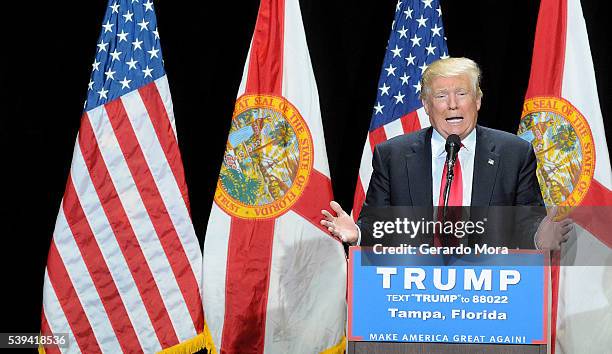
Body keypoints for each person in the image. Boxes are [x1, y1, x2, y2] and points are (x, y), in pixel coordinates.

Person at [321, 57, 572, 250]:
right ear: (427, 105)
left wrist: (540, 237)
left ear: (477, 101)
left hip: (490, 296)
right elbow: (379, 224)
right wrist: (358, 233)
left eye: (462, 94)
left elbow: (526, 222)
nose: (453, 104)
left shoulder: (513, 153)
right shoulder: (392, 155)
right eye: (441, 96)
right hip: (417, 295)